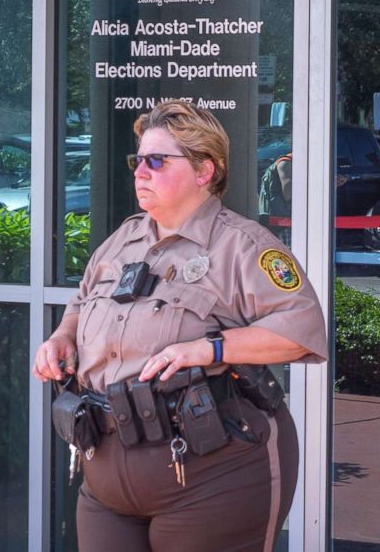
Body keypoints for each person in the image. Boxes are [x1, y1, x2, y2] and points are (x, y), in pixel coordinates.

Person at [32, 100, 326, 551]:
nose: (140, 171)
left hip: (212, 477)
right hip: (105, 474)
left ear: (204, 171)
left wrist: (206, 349)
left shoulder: (241, 247)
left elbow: (301, 329)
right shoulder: (123, 239)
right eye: (138, 160)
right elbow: (82, 301)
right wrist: (62, 337)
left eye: (156, 160)